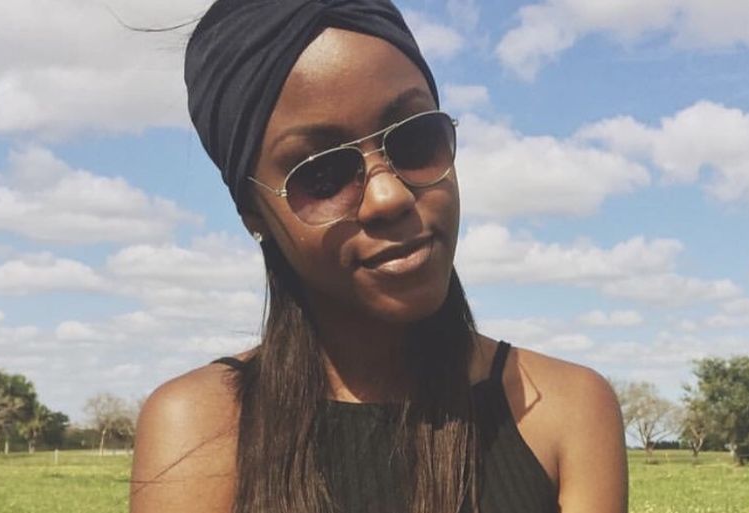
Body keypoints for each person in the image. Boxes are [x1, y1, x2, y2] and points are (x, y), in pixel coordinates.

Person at [130, 1, 627, 512]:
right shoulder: (196, 429)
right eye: (320, 175)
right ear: (251, 212)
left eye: (414, 139)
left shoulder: (567, 412)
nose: (389, 196)